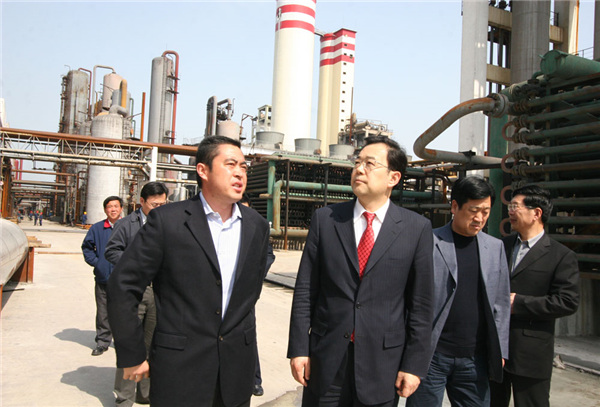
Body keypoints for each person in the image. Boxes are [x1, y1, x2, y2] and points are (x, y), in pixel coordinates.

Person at [107, 135, 270, 407]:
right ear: (203, 170)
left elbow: (249, 295)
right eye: (230, 164)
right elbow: (123, 286)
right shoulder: (168, 221)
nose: (240, 173)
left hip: (235, 372)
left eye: (243, 166)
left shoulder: (256, 226)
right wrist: (132, 353)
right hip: (180, 371)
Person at [288, 136, 434, 406]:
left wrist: (414, 365)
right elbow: (306, 289)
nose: (359, 169)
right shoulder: (326, 220)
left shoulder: (416, 228)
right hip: (326, 359)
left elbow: (421, 305)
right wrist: (298, 349)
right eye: (357, 162)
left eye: (370, 163)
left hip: (383, 363)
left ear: (393, 178)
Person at [407, 176, 511, 407]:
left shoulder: (495, 248)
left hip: (475, 359)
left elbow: (501, 304)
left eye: (485, 212)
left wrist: (500, 350)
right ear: (454, 206)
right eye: (473, 210)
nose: (479, 218)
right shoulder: (428, 242)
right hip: (432, 355)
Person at [490, 185, 579, 407]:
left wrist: (519, 303)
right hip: (495, 348)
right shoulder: (501, 246)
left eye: (515, 206)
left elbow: (567, 302)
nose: (510, 212)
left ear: (536, 213)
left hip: (531, 353)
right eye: (509, 206)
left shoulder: (561, 256)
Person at [105, 182, 169, 407]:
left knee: (151, 344)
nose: (159, 208)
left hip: (157, 292)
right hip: (134, 291)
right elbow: (111, 250)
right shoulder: (126, 225)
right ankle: (125, 397)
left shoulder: (167, 224)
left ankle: (145, 392)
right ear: (141, 202)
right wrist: (134, 265)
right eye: (154, 205)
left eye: (163, 204)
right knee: (129, 343)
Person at [239, 194, 276, 397]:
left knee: (248, 336)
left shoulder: (257, 228)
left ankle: (254, 380)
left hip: (247, 294)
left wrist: (256, 275)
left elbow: (269, 255)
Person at [82, 196, 123, 356]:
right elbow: (87, 248)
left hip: (123, 279)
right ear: (105, 210)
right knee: (103, 312)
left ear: (121, 209)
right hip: (103, 277)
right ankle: (102, 342)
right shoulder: (97, 228)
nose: (113, 209)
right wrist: (97, 263)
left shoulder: (127, 226)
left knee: (123, 311)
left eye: (116, 206)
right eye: (109, 207)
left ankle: (122, 342)